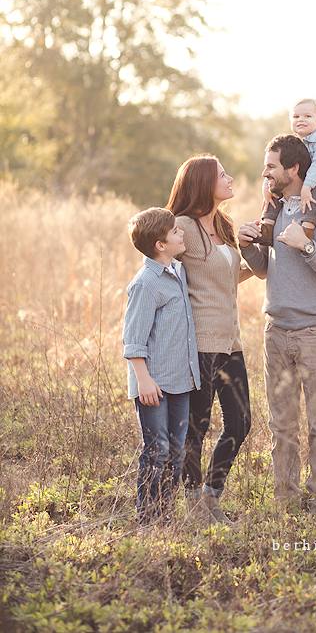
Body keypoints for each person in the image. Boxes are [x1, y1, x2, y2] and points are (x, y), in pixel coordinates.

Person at [238, 134, 316, 518]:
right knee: (281, 425)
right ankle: (285, 502)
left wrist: (307, 246)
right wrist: (247, 246)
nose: (264, 172)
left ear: (294, 169)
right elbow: (265, 269)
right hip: (275, 333)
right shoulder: (272, 210)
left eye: (271, 166)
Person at [167, 155, 252, 526]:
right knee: (196, 428)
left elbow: (224, 278)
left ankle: (211, 496)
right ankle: (193, 508)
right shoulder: (181, 226)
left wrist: (266, 260)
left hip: (231, 341)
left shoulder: (224, 224)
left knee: (241, 422)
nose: (230, 178)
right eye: (222, 175)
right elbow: (158, 267)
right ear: (203, 183)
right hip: (199, 344)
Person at [123, 207, 200, 528]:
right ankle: (147, 521)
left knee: (177, 452)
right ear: (160, 244)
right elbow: (133, 340)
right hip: (153, 384)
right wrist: (143, 381)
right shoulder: (145, 283)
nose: (182, 233)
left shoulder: (178, 272)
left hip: (180, 381)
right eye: (176, 232)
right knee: (156, 451)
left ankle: (164, 518)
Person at [257, 98, 316, 245]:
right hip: (309, 183)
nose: (301, 120)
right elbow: (278, 165)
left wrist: (306, 187)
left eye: (307, 116)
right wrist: (266, 185)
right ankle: (267, 226)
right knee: (277, 188)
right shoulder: (294, 143)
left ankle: (307, 229)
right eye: (296, 117)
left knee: (315, 190)